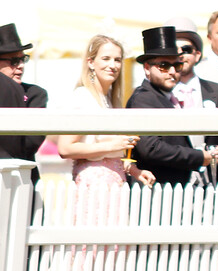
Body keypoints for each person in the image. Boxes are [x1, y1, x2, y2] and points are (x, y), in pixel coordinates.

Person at [125, 26, 218, 185]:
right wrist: (200, 157)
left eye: (177, 65)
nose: (172, 71)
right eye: (164, 66)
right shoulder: (143, 98)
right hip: (156, 189)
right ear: (147, 68)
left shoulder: (162, 95)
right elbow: (151, 148)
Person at [57, 35, 155, 189]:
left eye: (117, 60)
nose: (113, 65)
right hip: (93, 182)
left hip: (115, 181)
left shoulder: (109, 99)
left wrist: (134, 170)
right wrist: (113, 145)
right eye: (106, 58)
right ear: (90, 62)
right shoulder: (83, 97)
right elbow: (65, 148)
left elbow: (109, 154)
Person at [165, 16, 218, 185]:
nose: (180, 54)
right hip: (172, 180)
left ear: (197, 54)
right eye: (174, 49)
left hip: (213, 182)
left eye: (186, 49)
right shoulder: (157, 96)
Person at [0, 23, 46, 177]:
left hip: (22, 178)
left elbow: (30, 144)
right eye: (13, 61)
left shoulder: (35, 94)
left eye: (23, 59)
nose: (20, 66)